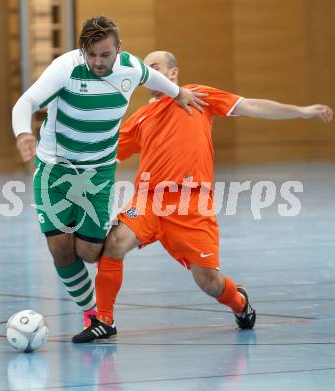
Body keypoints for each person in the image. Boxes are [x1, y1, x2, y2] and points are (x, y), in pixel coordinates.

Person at [72, 50, 334, 342]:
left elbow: (251, 106)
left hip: (191, 204)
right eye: (147, 70)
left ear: (173, 74)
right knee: (114, 245)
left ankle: (240, 303)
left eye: (156, 67)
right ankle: (104, 321)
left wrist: (301, 111)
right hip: (149, 202)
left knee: (208, 282)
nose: (150, 73)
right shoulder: (141, 117)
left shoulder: (196, 96)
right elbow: (106, 156)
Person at [11, 18, 207, 328]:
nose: (98, 62)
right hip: (54, 170)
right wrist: (23, 134)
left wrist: (177, 91)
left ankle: (86, 230)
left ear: (119, 49)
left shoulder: (132, 68)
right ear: (82, 50)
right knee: (61, 249)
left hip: (98, 173)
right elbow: (26, 102)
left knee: (89, 253)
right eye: (91, 55)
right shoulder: (66, 68)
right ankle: (93, 315)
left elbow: (152, 77)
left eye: (105, 55)